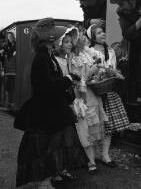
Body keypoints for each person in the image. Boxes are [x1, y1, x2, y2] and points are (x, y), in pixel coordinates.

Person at [15, 18, 87, 188]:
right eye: (59, 37)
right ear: (49, 40)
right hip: (45, 112)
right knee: (44, 148)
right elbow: (44, 87)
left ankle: (51, 176)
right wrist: (68, 79)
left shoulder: (46, 56)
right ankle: (44, 181)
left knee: (52, 145)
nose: (61, 40)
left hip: (52, 109)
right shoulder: (41, 57)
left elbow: (52, 83)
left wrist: (67, 85)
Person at [87, 23, 130, 166]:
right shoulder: (89, 51)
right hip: (94, 92)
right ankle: (91, 159)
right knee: (93, 126)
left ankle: (105, 156)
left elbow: (113, 68)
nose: (103, 34)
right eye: (99, 33)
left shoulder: (110, 51)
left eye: (103, 32)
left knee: (108, 127)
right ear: (92, 37)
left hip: (108, 89)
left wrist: (114, 74)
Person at [68, 28, 108, 173]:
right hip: (82, 97)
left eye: (84, 35)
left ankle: (90, 158)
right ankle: (90, 161)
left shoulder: (86, 52)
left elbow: (98, 63)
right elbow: (75, 80)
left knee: (93, 129)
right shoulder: (72, 57)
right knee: (84, 129)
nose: (84, 37)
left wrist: (99, 71)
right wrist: (89, 74)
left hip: (93, 93)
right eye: (81, 36)